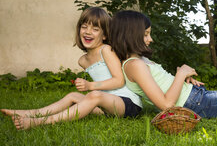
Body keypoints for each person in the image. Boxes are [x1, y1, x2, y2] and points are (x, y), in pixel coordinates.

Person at [1, 7, 142, 129]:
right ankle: (29, 113)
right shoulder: (83, 61)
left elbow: (119, 81)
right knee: (73, 96)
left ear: (104, 35)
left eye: (95, 29)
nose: (88, 32)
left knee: (94, 95)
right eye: (84, 26)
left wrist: (90, 85)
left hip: (128, 104)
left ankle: (39, 122)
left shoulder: (106, 50)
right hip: (107, 106)